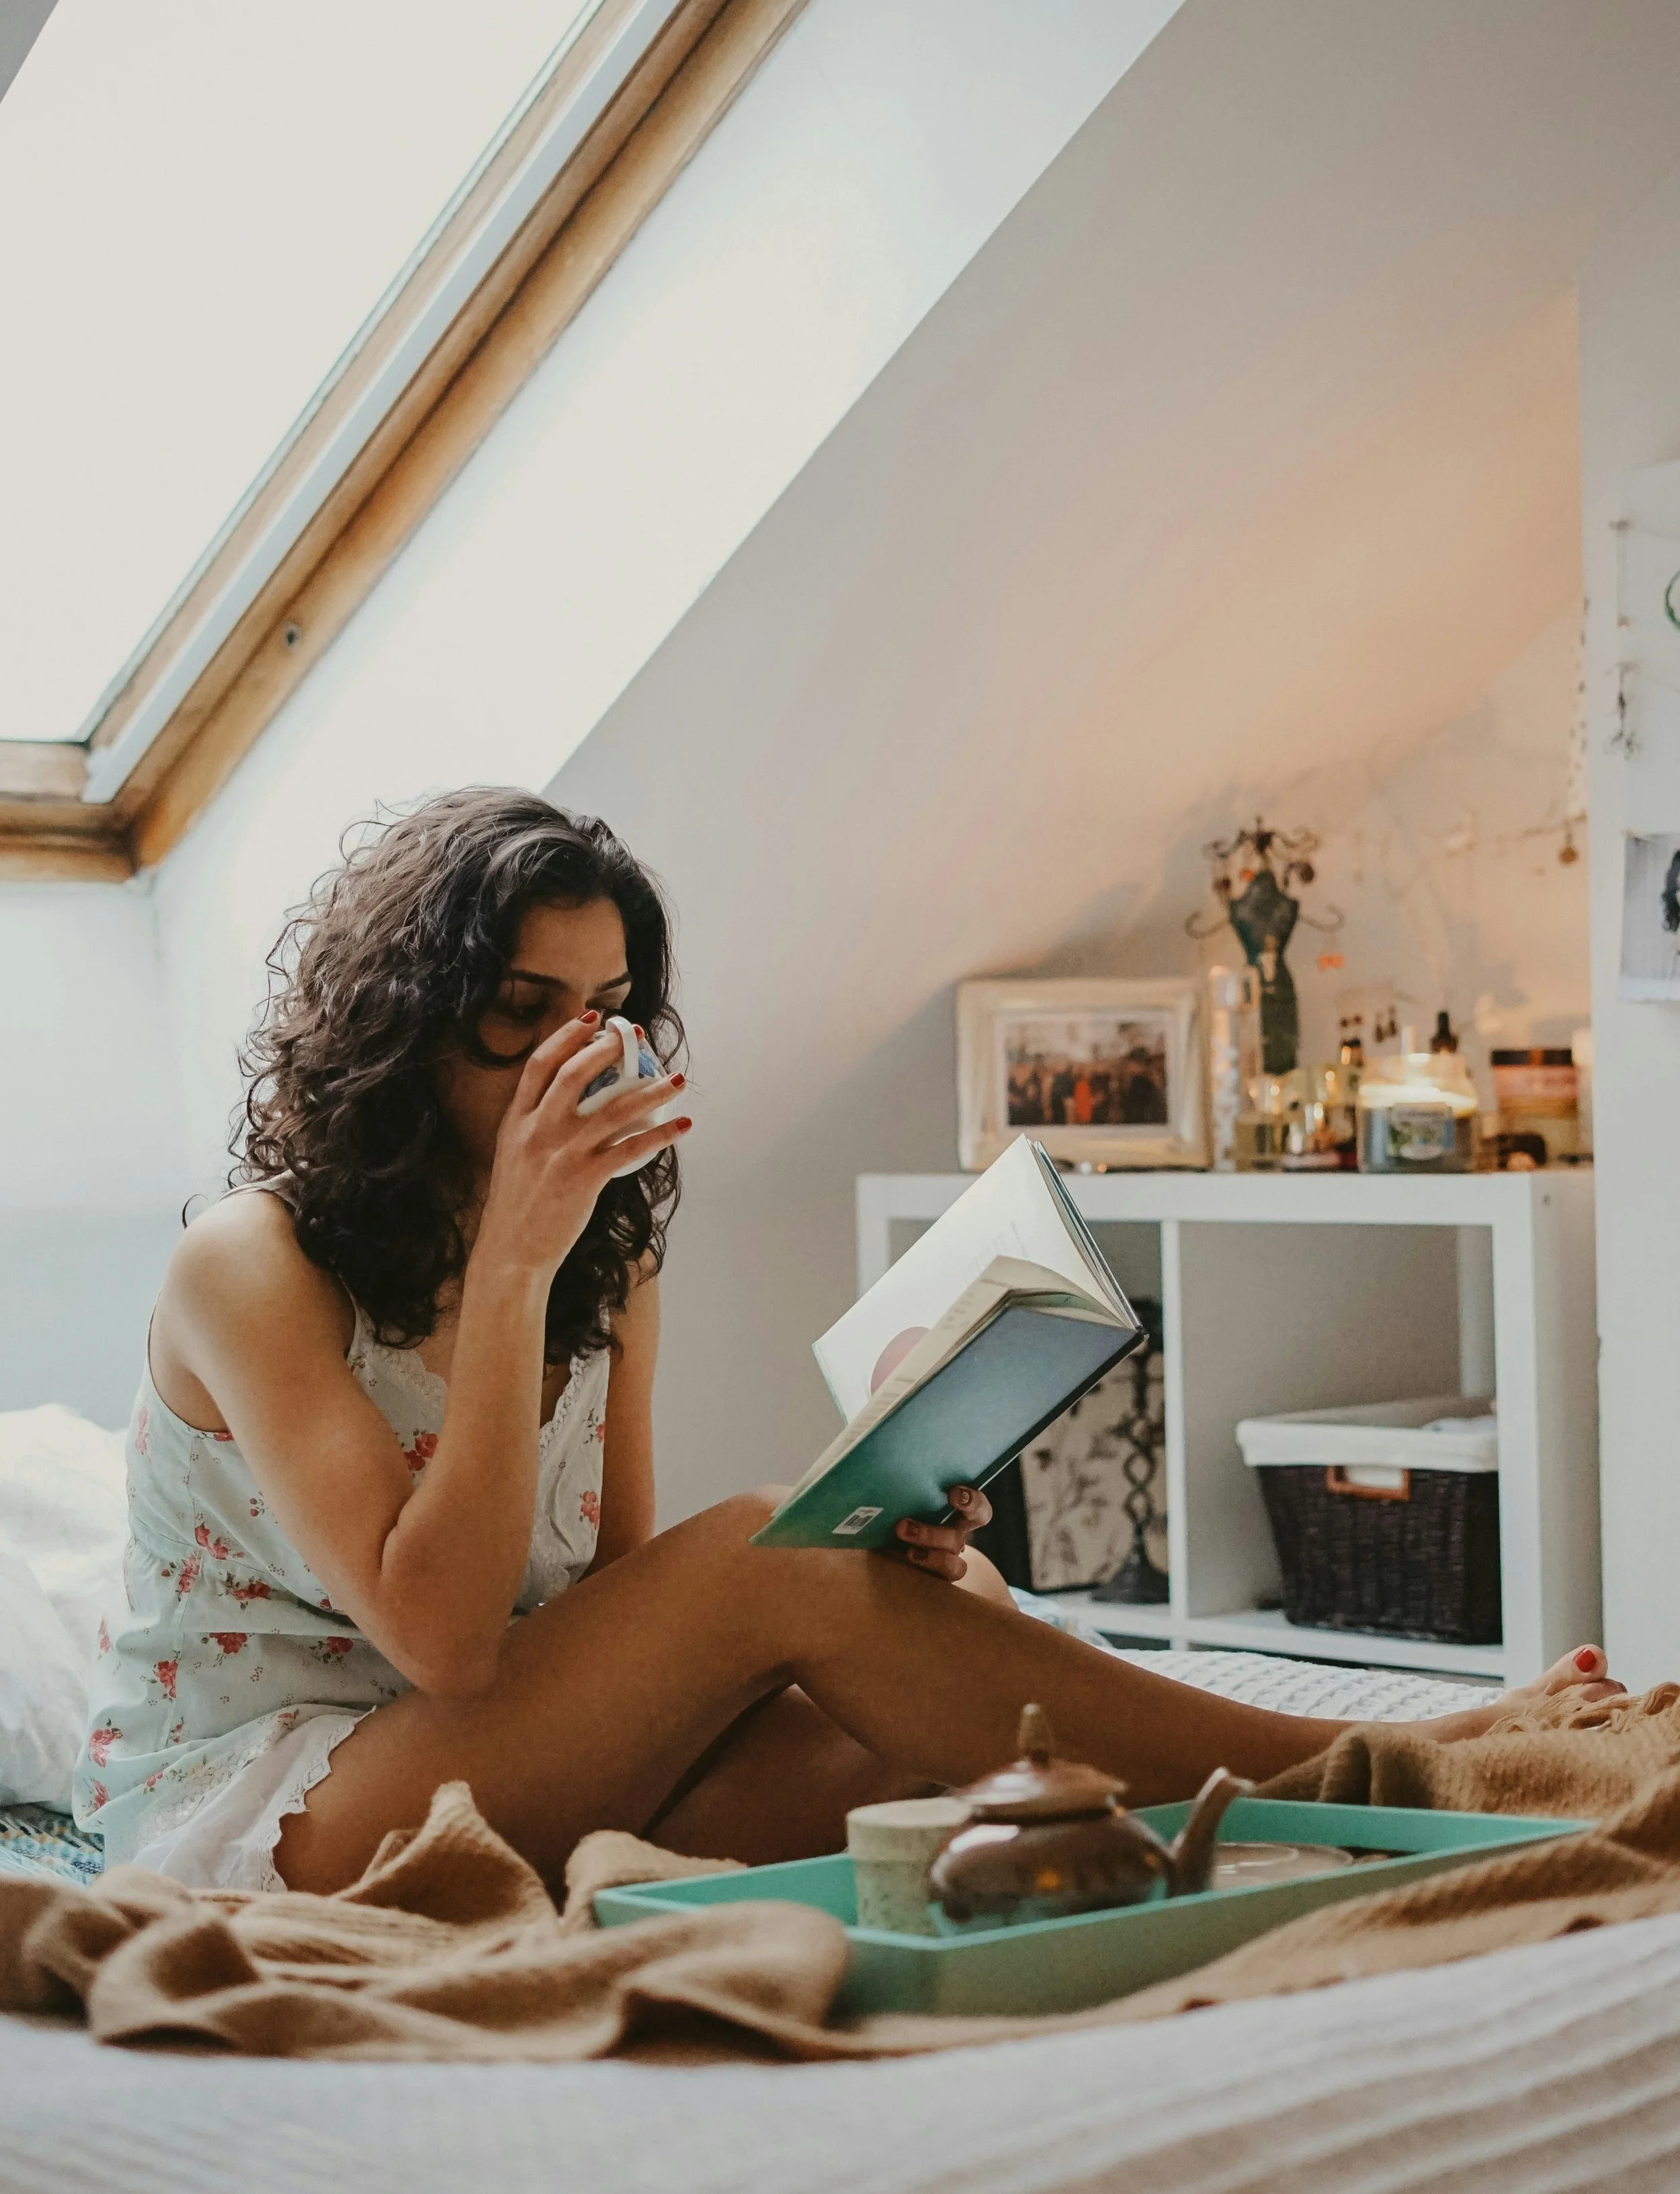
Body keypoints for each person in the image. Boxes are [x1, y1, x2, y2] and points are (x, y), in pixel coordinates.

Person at [73, 790, 1622, 1898]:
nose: (577, 1052)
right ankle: (1375, 1767)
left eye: (607, 1008)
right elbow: (448, 1642)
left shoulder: (608, 1255)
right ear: (405, 1022)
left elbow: (599, 1618)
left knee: (928, 1720)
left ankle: (1297, 1796)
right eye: (522, 1006)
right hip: (284, 1801)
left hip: (489, 1754)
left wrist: (877, 1544)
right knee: (769, 1552)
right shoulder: (254, 1265)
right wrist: (509, 1271)